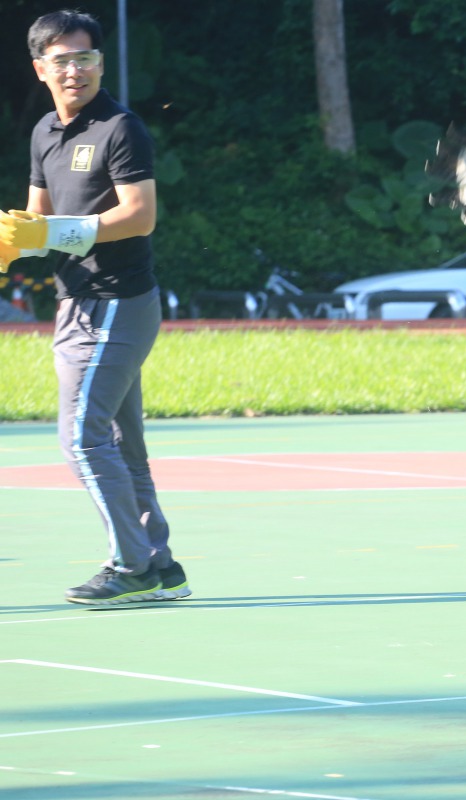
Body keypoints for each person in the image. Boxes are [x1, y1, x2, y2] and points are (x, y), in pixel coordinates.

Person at [0, 10, 189, 605]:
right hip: (76, 303)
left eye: (85, 58)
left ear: (100, 64)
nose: (75, 69)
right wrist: (12, 243)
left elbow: (140, 215)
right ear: (40, 69)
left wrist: (51, 232)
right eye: (61, 60)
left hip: (119, 302)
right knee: (117, 440)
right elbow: (39, 223)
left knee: (82, 438)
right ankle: (158, 562)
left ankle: (129, 565)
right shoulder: (43, 133)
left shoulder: (121, 128)